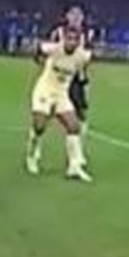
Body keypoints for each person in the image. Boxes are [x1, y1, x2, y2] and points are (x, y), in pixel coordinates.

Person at [26, 25, 92, 182]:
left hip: (62, 93)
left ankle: (74, 166)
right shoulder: (54, 49)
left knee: (73, 126)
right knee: (39, 126)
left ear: (78, 41)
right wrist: (39, 61)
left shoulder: (83, 56)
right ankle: (32, 155)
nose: (71, 42)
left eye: (75, 39)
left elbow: (83, 70)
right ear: (64, 38)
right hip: (45, 90)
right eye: (69, 38)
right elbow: (38, 48)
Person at [40, 6, 94, 133]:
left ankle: (80, 130)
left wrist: (83, 71)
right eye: (72, 15)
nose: (75, 18)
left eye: (78, 16)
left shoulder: (86, 34)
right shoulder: (59, 31)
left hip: (75, 73)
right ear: (67, 16)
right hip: (58, 72)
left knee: (80, 103)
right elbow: (50, 48)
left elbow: (88, 53)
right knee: (51, 103)